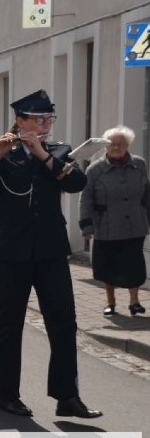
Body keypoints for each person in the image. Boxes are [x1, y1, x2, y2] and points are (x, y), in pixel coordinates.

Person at [0, 89, 102, 419]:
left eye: (48, 119)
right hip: (10, 252)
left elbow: (76, 183)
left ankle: (66, 396)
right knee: (11, 323)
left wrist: (43, 155)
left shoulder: (58, 151)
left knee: (63, 322)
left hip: (50, 251)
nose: (44, 125)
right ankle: (8, 394)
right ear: (19, 120)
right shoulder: (0, 151)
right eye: (38, 119)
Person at [79, 124, 150, 316]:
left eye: (121, 144)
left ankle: (134, 302)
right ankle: (110, 303)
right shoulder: (95, 170)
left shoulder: (139, 164)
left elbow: (146, 194)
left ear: (128, 145)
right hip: (106, 226)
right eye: (112, 144)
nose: (116, 147)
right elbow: (86, 198)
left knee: (134, 265)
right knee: (108, 267)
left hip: (134, 225)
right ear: (105, 147)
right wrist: (87, 226)